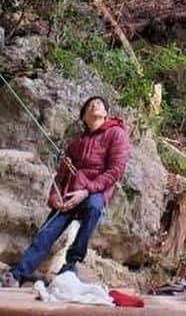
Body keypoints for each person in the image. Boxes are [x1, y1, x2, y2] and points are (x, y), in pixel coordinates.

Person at [0, 95, 131, 287]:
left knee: (95, 207)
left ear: (105, 114)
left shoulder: (116, 134)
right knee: (47, 232)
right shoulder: (76, 145)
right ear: (84, 117)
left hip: (94, 191)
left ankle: (72, 263)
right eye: (90, 104)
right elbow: (60, 177)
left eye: (100, 104)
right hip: (70, 194)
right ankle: (18, 274)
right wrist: (55, 197)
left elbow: (115, 171)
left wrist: (86, 192)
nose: (95, 104)